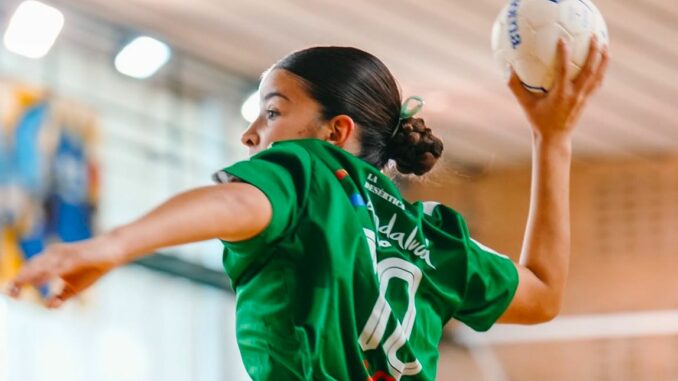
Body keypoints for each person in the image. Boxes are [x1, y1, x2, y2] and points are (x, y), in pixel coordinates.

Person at [6, 37, 609, 380]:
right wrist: (551, 140)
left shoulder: (312, 171)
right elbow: (543, 292)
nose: (251, 135)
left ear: (334, 131)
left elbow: (237, 201)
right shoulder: (431, 238)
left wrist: (114, 244)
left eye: (270, 111)